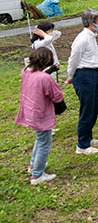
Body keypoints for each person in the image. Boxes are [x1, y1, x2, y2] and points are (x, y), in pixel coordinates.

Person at [15, 48, 65, 184]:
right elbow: (56, 94)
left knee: (40, 139)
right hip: (41, 113)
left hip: (30, 111)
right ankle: (37, 175)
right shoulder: (44, 78)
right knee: (44, 143)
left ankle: (33, 165)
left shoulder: (26, 72)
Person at [65, 8, 98, 155]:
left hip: (92, 73)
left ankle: (88, 137)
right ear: (91, 23)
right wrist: (70, 75)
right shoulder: (82, 39)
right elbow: (73, 59)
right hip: (84, 75)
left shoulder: (92, 36)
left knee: (93, 108)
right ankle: (82, 145)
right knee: (86, 110)